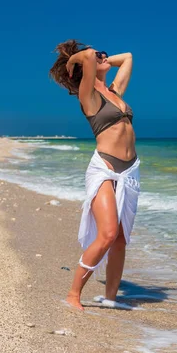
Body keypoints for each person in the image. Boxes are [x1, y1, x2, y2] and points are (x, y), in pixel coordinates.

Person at [49, 40, 140, 311]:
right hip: (105, 168)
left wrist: (101, 61)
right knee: (108, 232)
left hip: (130, 169)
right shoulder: (88, 95)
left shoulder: (114, 92)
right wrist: (78, 59)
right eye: (98, 55)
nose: (103, 56)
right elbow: (88, 55)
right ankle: (73, 294)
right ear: (83, 69)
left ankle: (111, 298)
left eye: (103, 54)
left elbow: (128, 57)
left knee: (121, 238)